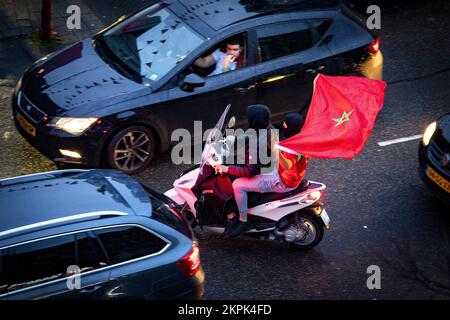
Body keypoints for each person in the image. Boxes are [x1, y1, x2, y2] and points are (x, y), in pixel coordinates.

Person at [217, 113, 309, 238]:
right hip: (283, 174)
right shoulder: (298, 137)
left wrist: (275, 149)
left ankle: (243, 220)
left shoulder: (294, 148)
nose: (283, 125)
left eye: (286, 124)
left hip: (282, 181)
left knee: (238, 185)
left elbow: (287, 165)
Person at [214, 104, 278, 234]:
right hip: (267, 166)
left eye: (249, 118)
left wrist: (226, 169)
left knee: (237, 185)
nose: (247, 119)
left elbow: (249, 172)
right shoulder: (270, 128)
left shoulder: (256, 146)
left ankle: (243, 219)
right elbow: (254, 137)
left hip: (262, 174)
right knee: (234, 163)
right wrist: (235, 139)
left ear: (254, 121)